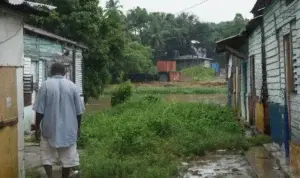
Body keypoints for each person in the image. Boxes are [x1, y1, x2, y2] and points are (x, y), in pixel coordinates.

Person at [33, 62, 85, 178]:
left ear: (51, 72)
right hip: (69, 128)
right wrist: (78, 128)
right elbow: (79, 112)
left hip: (49, 128)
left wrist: (37, 127)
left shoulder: (45, 85)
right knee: (68, 158)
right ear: (64, 72)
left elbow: (39, 111)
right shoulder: (73, 86)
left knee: (47, 156)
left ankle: (50, 176)